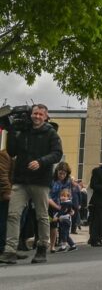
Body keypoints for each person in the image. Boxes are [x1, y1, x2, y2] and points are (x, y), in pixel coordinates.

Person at [0, 104, 63, 265]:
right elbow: (12, 151)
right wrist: (12, 131)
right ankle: (10, 250)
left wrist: (41, 162)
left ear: (46, 117)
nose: (37, 116)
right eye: (35, 113)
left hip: (40, 180)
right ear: (31, 114)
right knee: (13, 215)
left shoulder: (50, 133)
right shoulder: (23, 130)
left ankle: (42, 248)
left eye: (41, 114)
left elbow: (57, 154)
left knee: (41, 215)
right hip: (20, 179)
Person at [49, 162, 73, 253]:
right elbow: (48, 197)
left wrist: (70, 209)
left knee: (59, 225)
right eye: (60, 173)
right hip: (50, 205)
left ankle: (53, 246)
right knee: (50, 224)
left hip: (62, 206)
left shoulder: (67, 181)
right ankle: (44, 243)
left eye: (64, 173)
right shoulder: (52, 180)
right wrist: (57, 207)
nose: (62, 175)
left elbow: (68, 196)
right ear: (57, 172)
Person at [1, 149, 13, 254]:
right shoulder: (5, 155)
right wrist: (7, 191)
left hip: (10, 195)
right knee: (3, 221)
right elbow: (3, 175)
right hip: (3, 196)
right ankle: (2, 248)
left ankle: (7, 247)